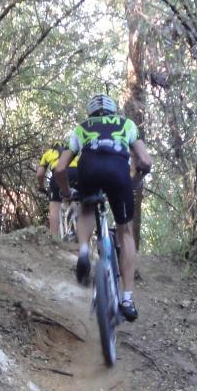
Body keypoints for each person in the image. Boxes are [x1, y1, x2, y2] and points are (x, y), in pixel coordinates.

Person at [54, 93, 152, 321]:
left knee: (87, 207)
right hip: (119, 174)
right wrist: (135, 180)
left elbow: (60, 169)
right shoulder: (127, 124)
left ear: (90, 113)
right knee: (125, 233)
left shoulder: (82, 128)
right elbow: (145, 161)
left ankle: (85, 251)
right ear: (113, 110)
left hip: (89, 171)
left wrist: (67, 193)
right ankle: (127, 299)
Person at [36, 144, 78, 237]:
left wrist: (42, 187)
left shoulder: (48, 153)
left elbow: (40, 174)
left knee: (54, 207)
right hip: (77, 174)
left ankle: (55, 238)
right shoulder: (73, 151)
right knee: (76, 198)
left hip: (58, 175)